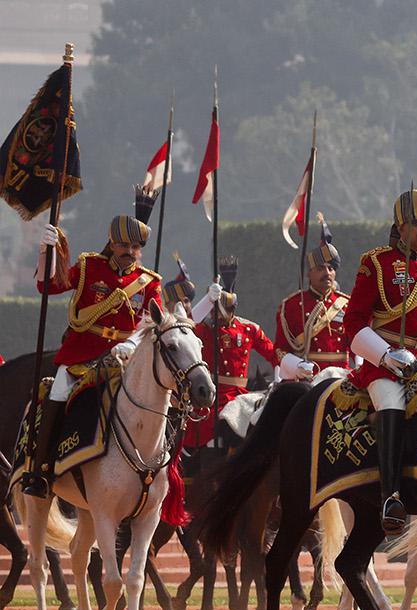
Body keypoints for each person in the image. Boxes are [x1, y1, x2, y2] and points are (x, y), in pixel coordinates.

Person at [21, 188, 164, 498]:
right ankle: (41, 472)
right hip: (82, 355)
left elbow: (156, 323)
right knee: (57, 394)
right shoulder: (89, 267)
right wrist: (46, 252)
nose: (130, 250)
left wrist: (134, 343)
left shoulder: (150, 281)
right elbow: (49, 286)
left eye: (136, 246)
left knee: (162, 399)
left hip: (126, 358)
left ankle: (160, 472)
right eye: (124, 245)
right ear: (112, 244)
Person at [344, 188, 417, 534]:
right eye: (416, 223)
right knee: (391, 403)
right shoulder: (375, 263)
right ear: (400, 225)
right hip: (386, 363)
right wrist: (384, 355)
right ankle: (391, 495)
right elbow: (353, 324)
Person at [185, 267, 281, 449]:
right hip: (213, 395)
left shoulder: (249, 329)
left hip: (241, 395)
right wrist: (207, 300)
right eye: (214, 311)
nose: (216, 316)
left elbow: (274, 354)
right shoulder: (204, 329)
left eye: (222, 311)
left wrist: (286, 373)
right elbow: (188, 323)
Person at [275, 239, 350, 379]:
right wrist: (297, 366)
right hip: (307, 377)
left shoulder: (347, 304)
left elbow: (357, 345)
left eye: (331, 268)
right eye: (321, 268)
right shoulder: (292, 305)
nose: (327, 273)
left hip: (341, 377)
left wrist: (359, 367)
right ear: (308, 274)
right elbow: (280, 349)